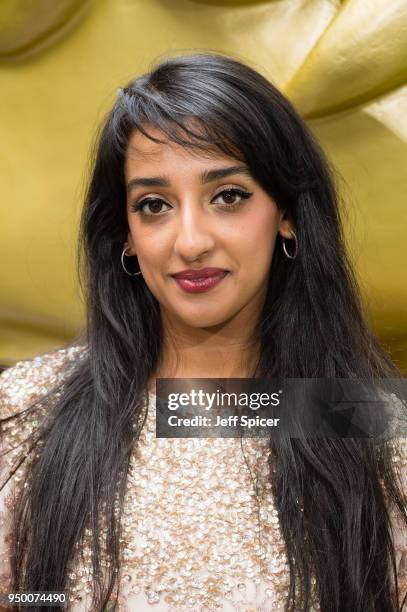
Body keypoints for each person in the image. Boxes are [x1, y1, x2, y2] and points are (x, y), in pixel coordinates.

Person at [0, 51, 406, 612]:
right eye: (154, 205)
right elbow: (22, 595)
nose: (189, 241)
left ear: (285, 212)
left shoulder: (367, 423)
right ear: (125, 234)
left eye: (228, 196)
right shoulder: (28, 414)